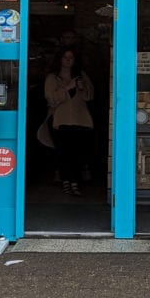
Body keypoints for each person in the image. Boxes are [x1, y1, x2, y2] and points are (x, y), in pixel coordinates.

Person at [44, 47, 94, 196]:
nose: (68, 60)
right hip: (60, 121)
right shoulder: (52, 78)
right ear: (59, 59)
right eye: (65, 57)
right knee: (63, 153)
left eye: (71, 57)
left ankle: (75, 182)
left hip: (80, 120)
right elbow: (51, 99)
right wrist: (67, 87)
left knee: (78, 153)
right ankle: (67, 181)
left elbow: (90, 96)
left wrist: (83, 87)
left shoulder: (81, 76)